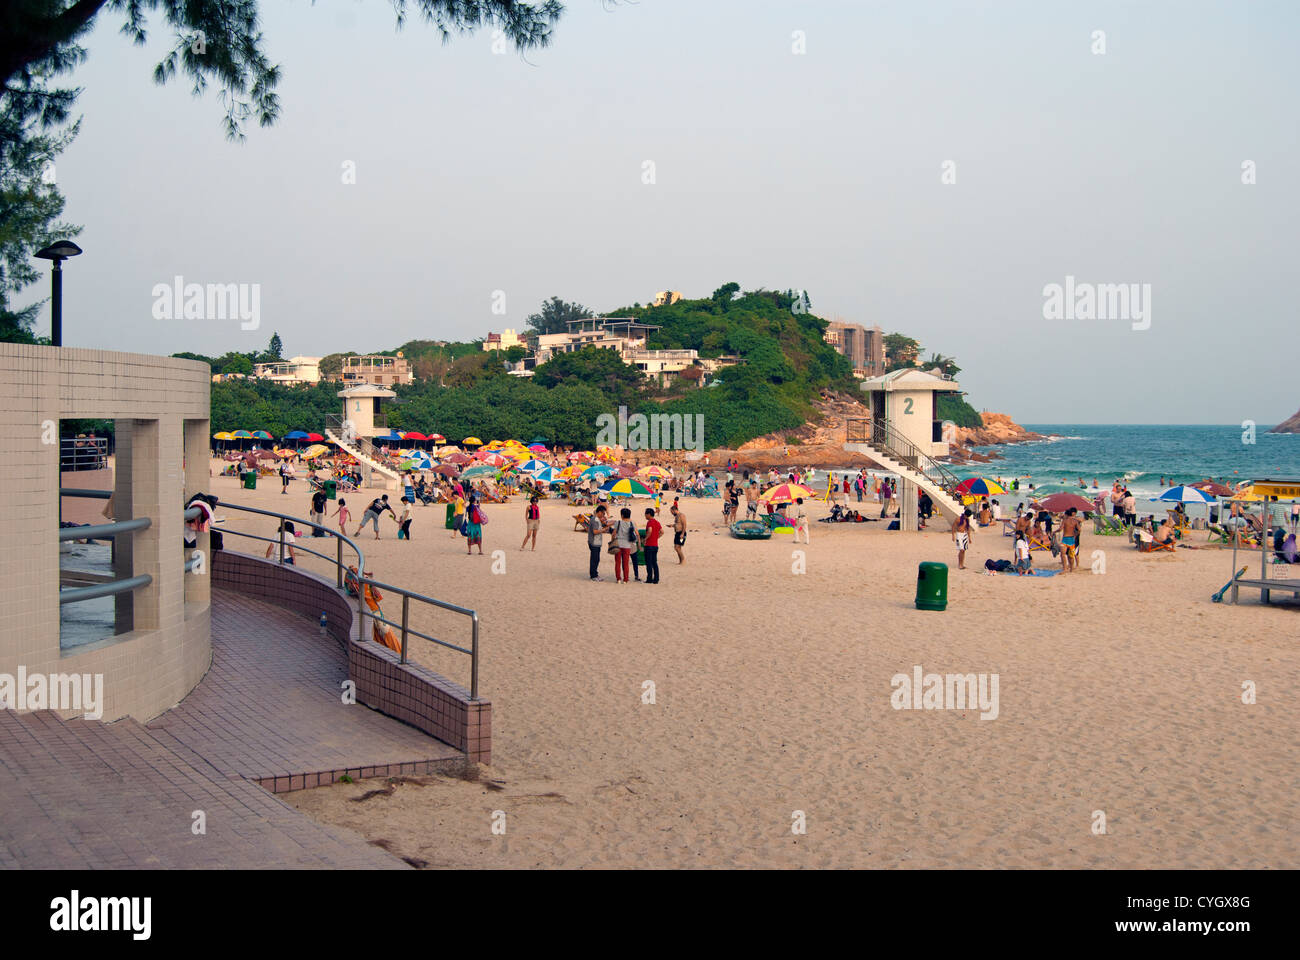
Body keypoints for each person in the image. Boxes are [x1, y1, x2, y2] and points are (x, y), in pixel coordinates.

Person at [612, 507, 638, 583]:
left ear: (622, 515)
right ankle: (626, 579)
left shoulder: (618, 522)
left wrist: (612, 541)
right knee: (626, 563)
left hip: (618, 543)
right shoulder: (632, 523)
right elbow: (637, 534)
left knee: (617, 562)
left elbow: (614, 533)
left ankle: (618, 578)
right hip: (627, 545)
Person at [586, 506, 610, 581]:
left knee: (595, 559)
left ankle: (594, 574)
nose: (603, 515)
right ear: (599, 512)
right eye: (603, 513)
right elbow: (595, 531)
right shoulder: (595, 520)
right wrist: (604, 530)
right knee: (595, 559)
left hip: (595, 542)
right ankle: (594, 575)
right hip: (594, 542)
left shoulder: (596, 519)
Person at [642, 507, 662, 584]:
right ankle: (656, 579)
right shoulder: (657, 522)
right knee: (654, 562)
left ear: (649, 514)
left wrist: (645, 539)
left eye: (645, 514)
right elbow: (662, 532)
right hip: (655, 545)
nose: (645, 516)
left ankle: (649, 578)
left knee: (649, 563)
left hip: (649, 545)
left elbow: (650, 530)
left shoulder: (650, 522)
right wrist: (656, 538)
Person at [1059, 507, 1082, 572]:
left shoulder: (1065, 521)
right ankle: (1071, 569)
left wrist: (1054, 532)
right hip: (1072, 539)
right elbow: (1080, 530)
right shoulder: (1075, 521)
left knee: (1063, 555)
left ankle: (1065, 569)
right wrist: (1075, 535)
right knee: (1071, 556)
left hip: (1065, 539)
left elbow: (1060, 529)